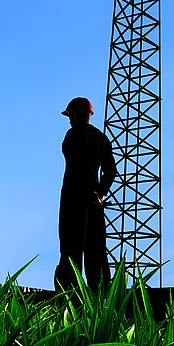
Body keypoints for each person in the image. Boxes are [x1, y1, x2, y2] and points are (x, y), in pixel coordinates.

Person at [54, 96, 118, 291]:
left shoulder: (72, 136)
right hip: (94, 201)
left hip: (73, 198)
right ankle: (101, 294)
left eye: (71, 115)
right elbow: (111, 171)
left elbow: (78, 164)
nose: (70, 120)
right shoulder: (101, 138)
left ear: (77, 114)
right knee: (96, 249)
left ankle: (69, 294)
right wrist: (99, 193)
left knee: (70, 247)